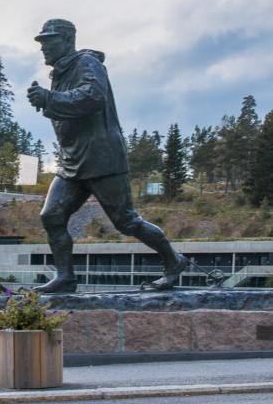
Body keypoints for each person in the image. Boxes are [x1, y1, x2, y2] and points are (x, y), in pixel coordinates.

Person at [26, 18, 186, 293]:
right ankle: (66, 277)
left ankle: (173, 262)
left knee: (126, 221)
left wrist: (48, 99)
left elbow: (93, 96)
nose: (43, 48)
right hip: (72, 162)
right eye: (42, 43)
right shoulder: (61, 73)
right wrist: (47, 98)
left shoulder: (88, 64)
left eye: (48, 42)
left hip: (102, 159)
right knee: (51, 215)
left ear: (66, 41)